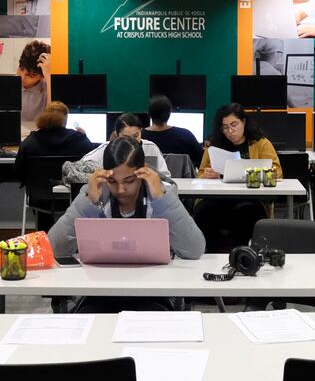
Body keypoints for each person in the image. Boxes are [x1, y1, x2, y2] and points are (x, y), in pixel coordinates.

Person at [49, 137, 205, 263]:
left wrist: (163, 201)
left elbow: (194, 249)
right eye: (112, 181)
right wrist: (87, 204)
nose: (120, 189)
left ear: (142, 172)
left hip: (155, 288)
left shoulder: (159, 194)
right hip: (101, 287)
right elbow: (54, 249)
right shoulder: (94, 193)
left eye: (129, 181)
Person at [196, 103, 283, 251]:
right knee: (204, 211)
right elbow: (200, 175)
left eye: (234, 124)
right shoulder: (214, 146)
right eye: (225, 127)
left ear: (244, 121)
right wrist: (207, 175)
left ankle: (243, 255)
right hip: (217, 198)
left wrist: (254, 173)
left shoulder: (260, 143)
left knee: (248, 212)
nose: (230, 131)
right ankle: (209, 254)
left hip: (250, 198)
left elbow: (277, 172)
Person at [64, 113, 170, 183]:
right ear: (117, 134)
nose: (132, 142)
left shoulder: (151, 148)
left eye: (136, 136)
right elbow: (75, 169)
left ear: (141, 131)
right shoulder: (105, 149)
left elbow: (166, 178)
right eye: (126, 138)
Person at [15, 101, 95, 185]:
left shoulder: (30, 142)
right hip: (72, 193)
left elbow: (18, 171)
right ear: (65, 118)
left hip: (38, 193)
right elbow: (92, 164)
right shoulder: (79, 139)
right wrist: (84, 137)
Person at [143, 94, 204, 161]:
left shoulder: (139, 137)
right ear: (169, 113)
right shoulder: (186, 135)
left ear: (148, 113)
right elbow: (201, 161)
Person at [18, 39, 52, 128]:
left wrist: (48, 76)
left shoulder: (46, 88)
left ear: (42, 76)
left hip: (38, 139)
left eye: (30, 75)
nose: (22, 77)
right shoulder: (9, 86)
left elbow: (53, 118)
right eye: (21, 69)